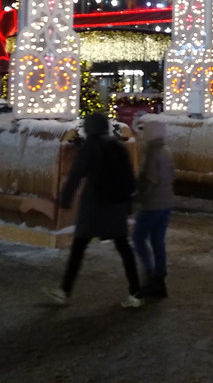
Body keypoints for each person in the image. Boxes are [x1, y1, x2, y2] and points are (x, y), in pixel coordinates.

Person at [44, 111, 143, 309]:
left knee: (79, 248)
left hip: (95, 205)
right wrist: (128, 203)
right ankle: (136, 292)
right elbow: (130, 176)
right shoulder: (118, 145)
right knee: (124, 248)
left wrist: (65, 200)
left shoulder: (90, 146)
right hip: (115, 205)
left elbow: (76, 174)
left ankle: (64, 290)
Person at [132, 118, 175, 298]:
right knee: (158, 241)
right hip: (166, 203)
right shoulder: (166, 150)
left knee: (138, 238)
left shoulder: (152, 151)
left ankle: (150, 274)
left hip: (152, 203)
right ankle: (160, 278)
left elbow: (149, 178)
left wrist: (138, 195)